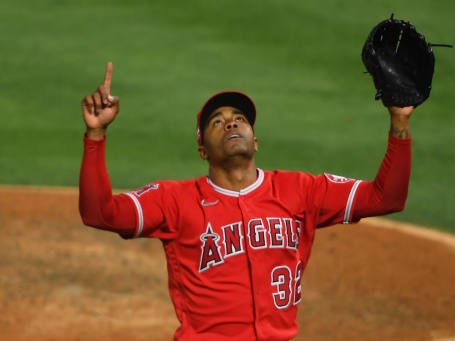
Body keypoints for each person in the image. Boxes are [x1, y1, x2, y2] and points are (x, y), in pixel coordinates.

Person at [79, 62, 412, 341]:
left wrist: (399, 121)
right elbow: (100, 214)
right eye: (216, 121)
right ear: (202, 151)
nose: (231, 122)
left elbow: (386, 198)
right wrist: (96, 135)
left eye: (240, 117)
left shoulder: (301, 190)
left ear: (256, 142)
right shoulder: (174, 200)